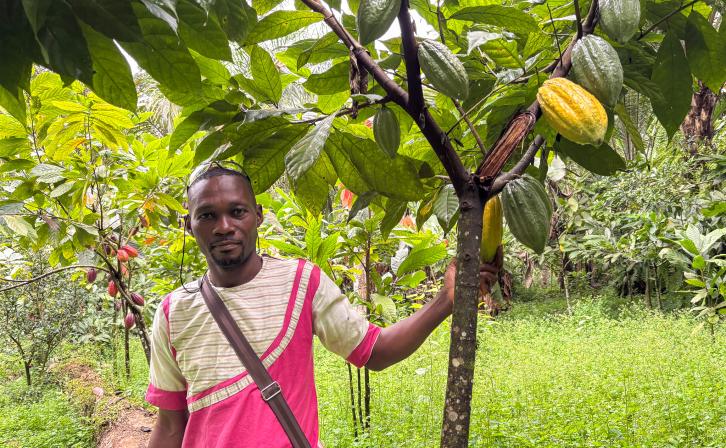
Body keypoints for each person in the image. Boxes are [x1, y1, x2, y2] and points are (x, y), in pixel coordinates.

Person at [146, 163, 501, 447]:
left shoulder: (302, 282)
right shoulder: (173, 311)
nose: (224, 226)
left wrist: (445, 301)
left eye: (237, 211)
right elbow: (171, 427)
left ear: (258, 215)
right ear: (189, 226)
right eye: (207, 215)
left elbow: (373, 350)